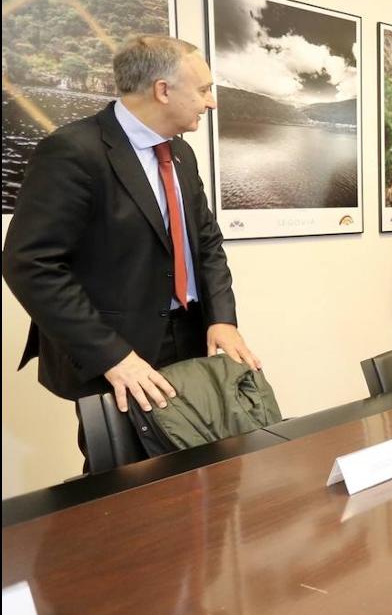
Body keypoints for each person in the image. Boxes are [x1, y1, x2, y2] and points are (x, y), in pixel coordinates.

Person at [3, 35, 259, 435]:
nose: (212, 102)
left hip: (190, 339)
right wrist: (112, 356)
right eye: (204, 90)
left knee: (199, 468)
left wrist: (223, 319)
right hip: (116, 351)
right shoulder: (72, 151)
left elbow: (206, 243)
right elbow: (30, 264)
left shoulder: (181, 153)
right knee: (126, 478)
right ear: (162, 90)